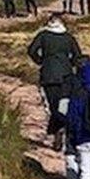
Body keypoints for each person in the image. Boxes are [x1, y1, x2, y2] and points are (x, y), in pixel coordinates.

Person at [27, 14, 82, 142]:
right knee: (64, 104)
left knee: (52, 104)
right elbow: (77, 55)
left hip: (48, 74)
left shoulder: (43, 35)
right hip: (66, 74)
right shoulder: (68, 37)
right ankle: (61, 127)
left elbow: (31, 50)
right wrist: (70, 63)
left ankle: (57, 129)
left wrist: (40, 60)